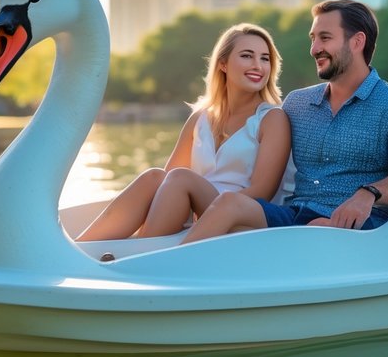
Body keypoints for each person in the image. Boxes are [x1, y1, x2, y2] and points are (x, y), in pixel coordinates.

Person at [181, 0, 388, 243]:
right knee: (228, 204)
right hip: (295, 215)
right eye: (313, 39)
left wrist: (369, 193)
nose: (314, 49)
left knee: (319, 229)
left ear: (357, 42)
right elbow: (257, 144)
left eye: (325, 38)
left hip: (359, 227)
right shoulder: (297, 104)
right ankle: (167, 267)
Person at [77, 23, 291, 241]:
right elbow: (165, 182)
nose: (258, 66)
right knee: (154, 177)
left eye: (265, 59)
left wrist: (209, 212)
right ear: (223, 64)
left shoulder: (272, 118)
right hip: (194, 207)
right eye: (247, 56)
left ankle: (141, 252)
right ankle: (81, 246)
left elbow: (263, 191)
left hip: (238, 213)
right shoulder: (200, 117)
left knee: (180, 178)